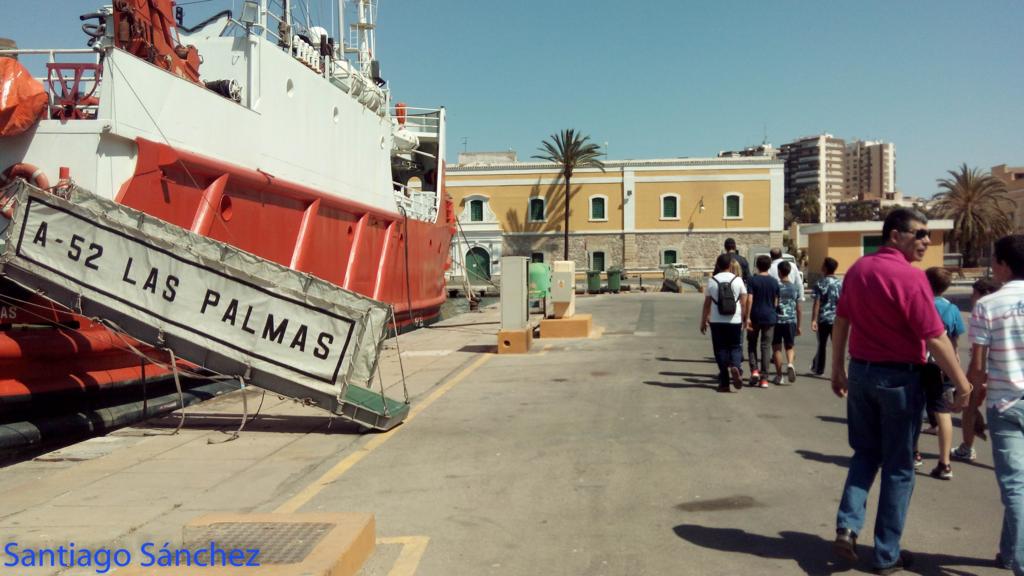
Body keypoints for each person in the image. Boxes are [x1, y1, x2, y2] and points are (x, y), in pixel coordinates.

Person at [830, 208, 971, 574]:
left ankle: (847, 527)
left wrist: (837, 368)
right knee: (899, 467)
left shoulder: (858, 270)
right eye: (919, 233)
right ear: (895, 235)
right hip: (898, 381)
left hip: (861, 374)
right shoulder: (911, 278)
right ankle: (886, 554)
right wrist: (962, 383)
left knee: (865, 454)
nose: (926, 240)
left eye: (928, 234)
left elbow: (841, 319)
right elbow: (935, 337)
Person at [967, 235, 1024, 572]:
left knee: (1016, 487)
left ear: (1003, 265)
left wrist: (973, 406)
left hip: (1005, 404)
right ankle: (1009, 551)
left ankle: (1020, 562)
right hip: (1008, 404)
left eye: (994, 260)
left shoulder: (988, 305)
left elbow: (977, 367)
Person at [916, 267, 965, 481]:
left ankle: (913, 453)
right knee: (942, 410)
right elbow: (954, 340)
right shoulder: (952, 309)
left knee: (915, 408)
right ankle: (944, 463)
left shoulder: (920, 304)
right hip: (943, 365)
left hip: (919, 361)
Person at [952, 277, 1001, 462]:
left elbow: (979, 353)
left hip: (982, 370)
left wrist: (970, 380)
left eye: (974, 294)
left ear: (983, 295)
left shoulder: (981, 312)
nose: (971, 298)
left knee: (969, 408)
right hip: (1004, 371)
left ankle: (967, 447)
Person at [701, 253, 748, 393]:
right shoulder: (738, 280)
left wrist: (703, 321)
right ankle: (735, 365)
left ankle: (725, 383)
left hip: (716, 320)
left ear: (717, 265)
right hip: (735, 320)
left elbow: (707, 304)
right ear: (730, 265)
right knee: (735, 347)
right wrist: (745, 318)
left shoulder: (712, 281)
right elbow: (744, 302)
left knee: (720, 349)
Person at [745, 255, 779, 388]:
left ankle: (754, 370)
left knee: (752, 344)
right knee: (766, 346)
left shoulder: (752, 280)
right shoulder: (774, 282)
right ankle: (764, 378)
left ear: (757, 266)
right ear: (769, 266)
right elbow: (776, 302)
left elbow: (750, 299)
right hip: (769, 317)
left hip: (755, 316)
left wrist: (747, 317)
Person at [810, 257, 842, 376]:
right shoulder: (840, 283)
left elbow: (817, 302)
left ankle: (819, 368)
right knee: (837, 346)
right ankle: (838, 369)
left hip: (823, 319)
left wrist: (814, 319)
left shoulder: (820, 283)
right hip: (837, 320)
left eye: (823, 264)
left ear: (826, 268)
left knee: (822, 344)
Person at [772, 261, 801, 385]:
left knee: (777, 347)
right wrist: (799, 325)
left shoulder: (776, 286)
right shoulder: (795, 288)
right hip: (791, 320)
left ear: (779, 272)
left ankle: (779, 376)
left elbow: (774, 304)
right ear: (789, 272)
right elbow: (798, 308)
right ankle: (790, 363)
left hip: (777, 320)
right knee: (789, 346)